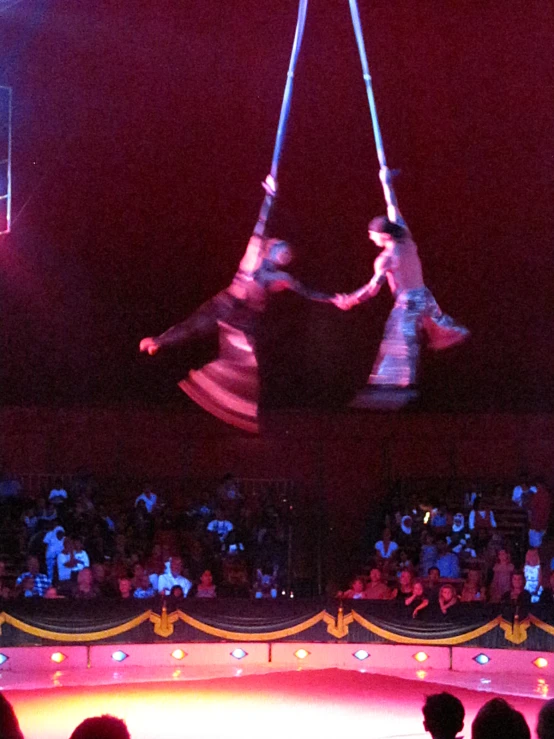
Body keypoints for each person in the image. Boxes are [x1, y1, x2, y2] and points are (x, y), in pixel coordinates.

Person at [140, 182, 335, 433]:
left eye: (285, 257)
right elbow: (262, 221)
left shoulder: (281, 279)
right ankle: (161, 340)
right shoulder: (254, 254)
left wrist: (336, 300)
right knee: (194, 327)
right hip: (226, 304)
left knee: (245, 362)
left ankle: (241, 407)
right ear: (270, 250)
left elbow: (308, 293)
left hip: (246, 319)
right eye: (279, 253)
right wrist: (269, 195)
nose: (281, 259)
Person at [333, 167, 469, 401]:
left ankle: (390, 392)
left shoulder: (386, 258)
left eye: (371, 234)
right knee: (413, 339)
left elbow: (372, 289)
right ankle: (441, 337)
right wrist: (386, 182)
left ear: (383, 236)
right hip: (425, 297)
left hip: (408, 302)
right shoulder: (405, 237)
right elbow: (392, 206)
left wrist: (350, 301)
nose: (369, 237)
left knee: (398, 342)